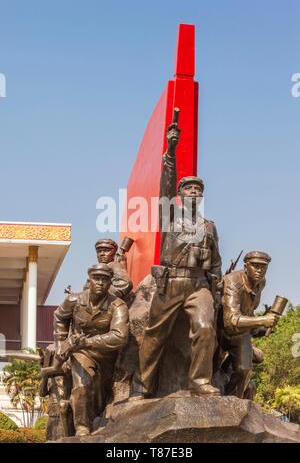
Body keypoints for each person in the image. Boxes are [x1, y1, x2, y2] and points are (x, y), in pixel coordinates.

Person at [138, 113, 222, 396]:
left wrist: (216, 290)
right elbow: (166, 180)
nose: (194, 192)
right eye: (189, 188)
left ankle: (199, 381)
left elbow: (217, 263)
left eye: (198, 189)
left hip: (199, 285)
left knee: (205, 327)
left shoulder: (209, 226)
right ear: (180, 194)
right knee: (154, 334)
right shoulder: (169, 215)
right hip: (171, 283)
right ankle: (143, 387)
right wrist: (170, 149)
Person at [53, 263, 129, 436]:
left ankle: (97, 422)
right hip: (81, 353)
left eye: (104, 279)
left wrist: (86, 342)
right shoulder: (74, 301)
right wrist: (60, 343)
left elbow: (119, 336)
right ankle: (82, 427)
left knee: (101, 394)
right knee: (82, 384)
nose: (100, 283)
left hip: (106, 356)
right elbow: (59, 317)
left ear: (110, 283)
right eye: (96, 279)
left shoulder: (117, 305)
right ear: (89, 280)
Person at [220, 251, 278, 398]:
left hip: (240, 333)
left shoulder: (260, 283)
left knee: (244, 370)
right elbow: (231, 320)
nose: (259, 271)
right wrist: (261, 320)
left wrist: (260, 328)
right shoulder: (233, 281)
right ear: (246, 266)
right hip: (221, 331)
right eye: (255, 266)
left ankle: (232, 403)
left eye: (263, 267)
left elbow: (248, 312)